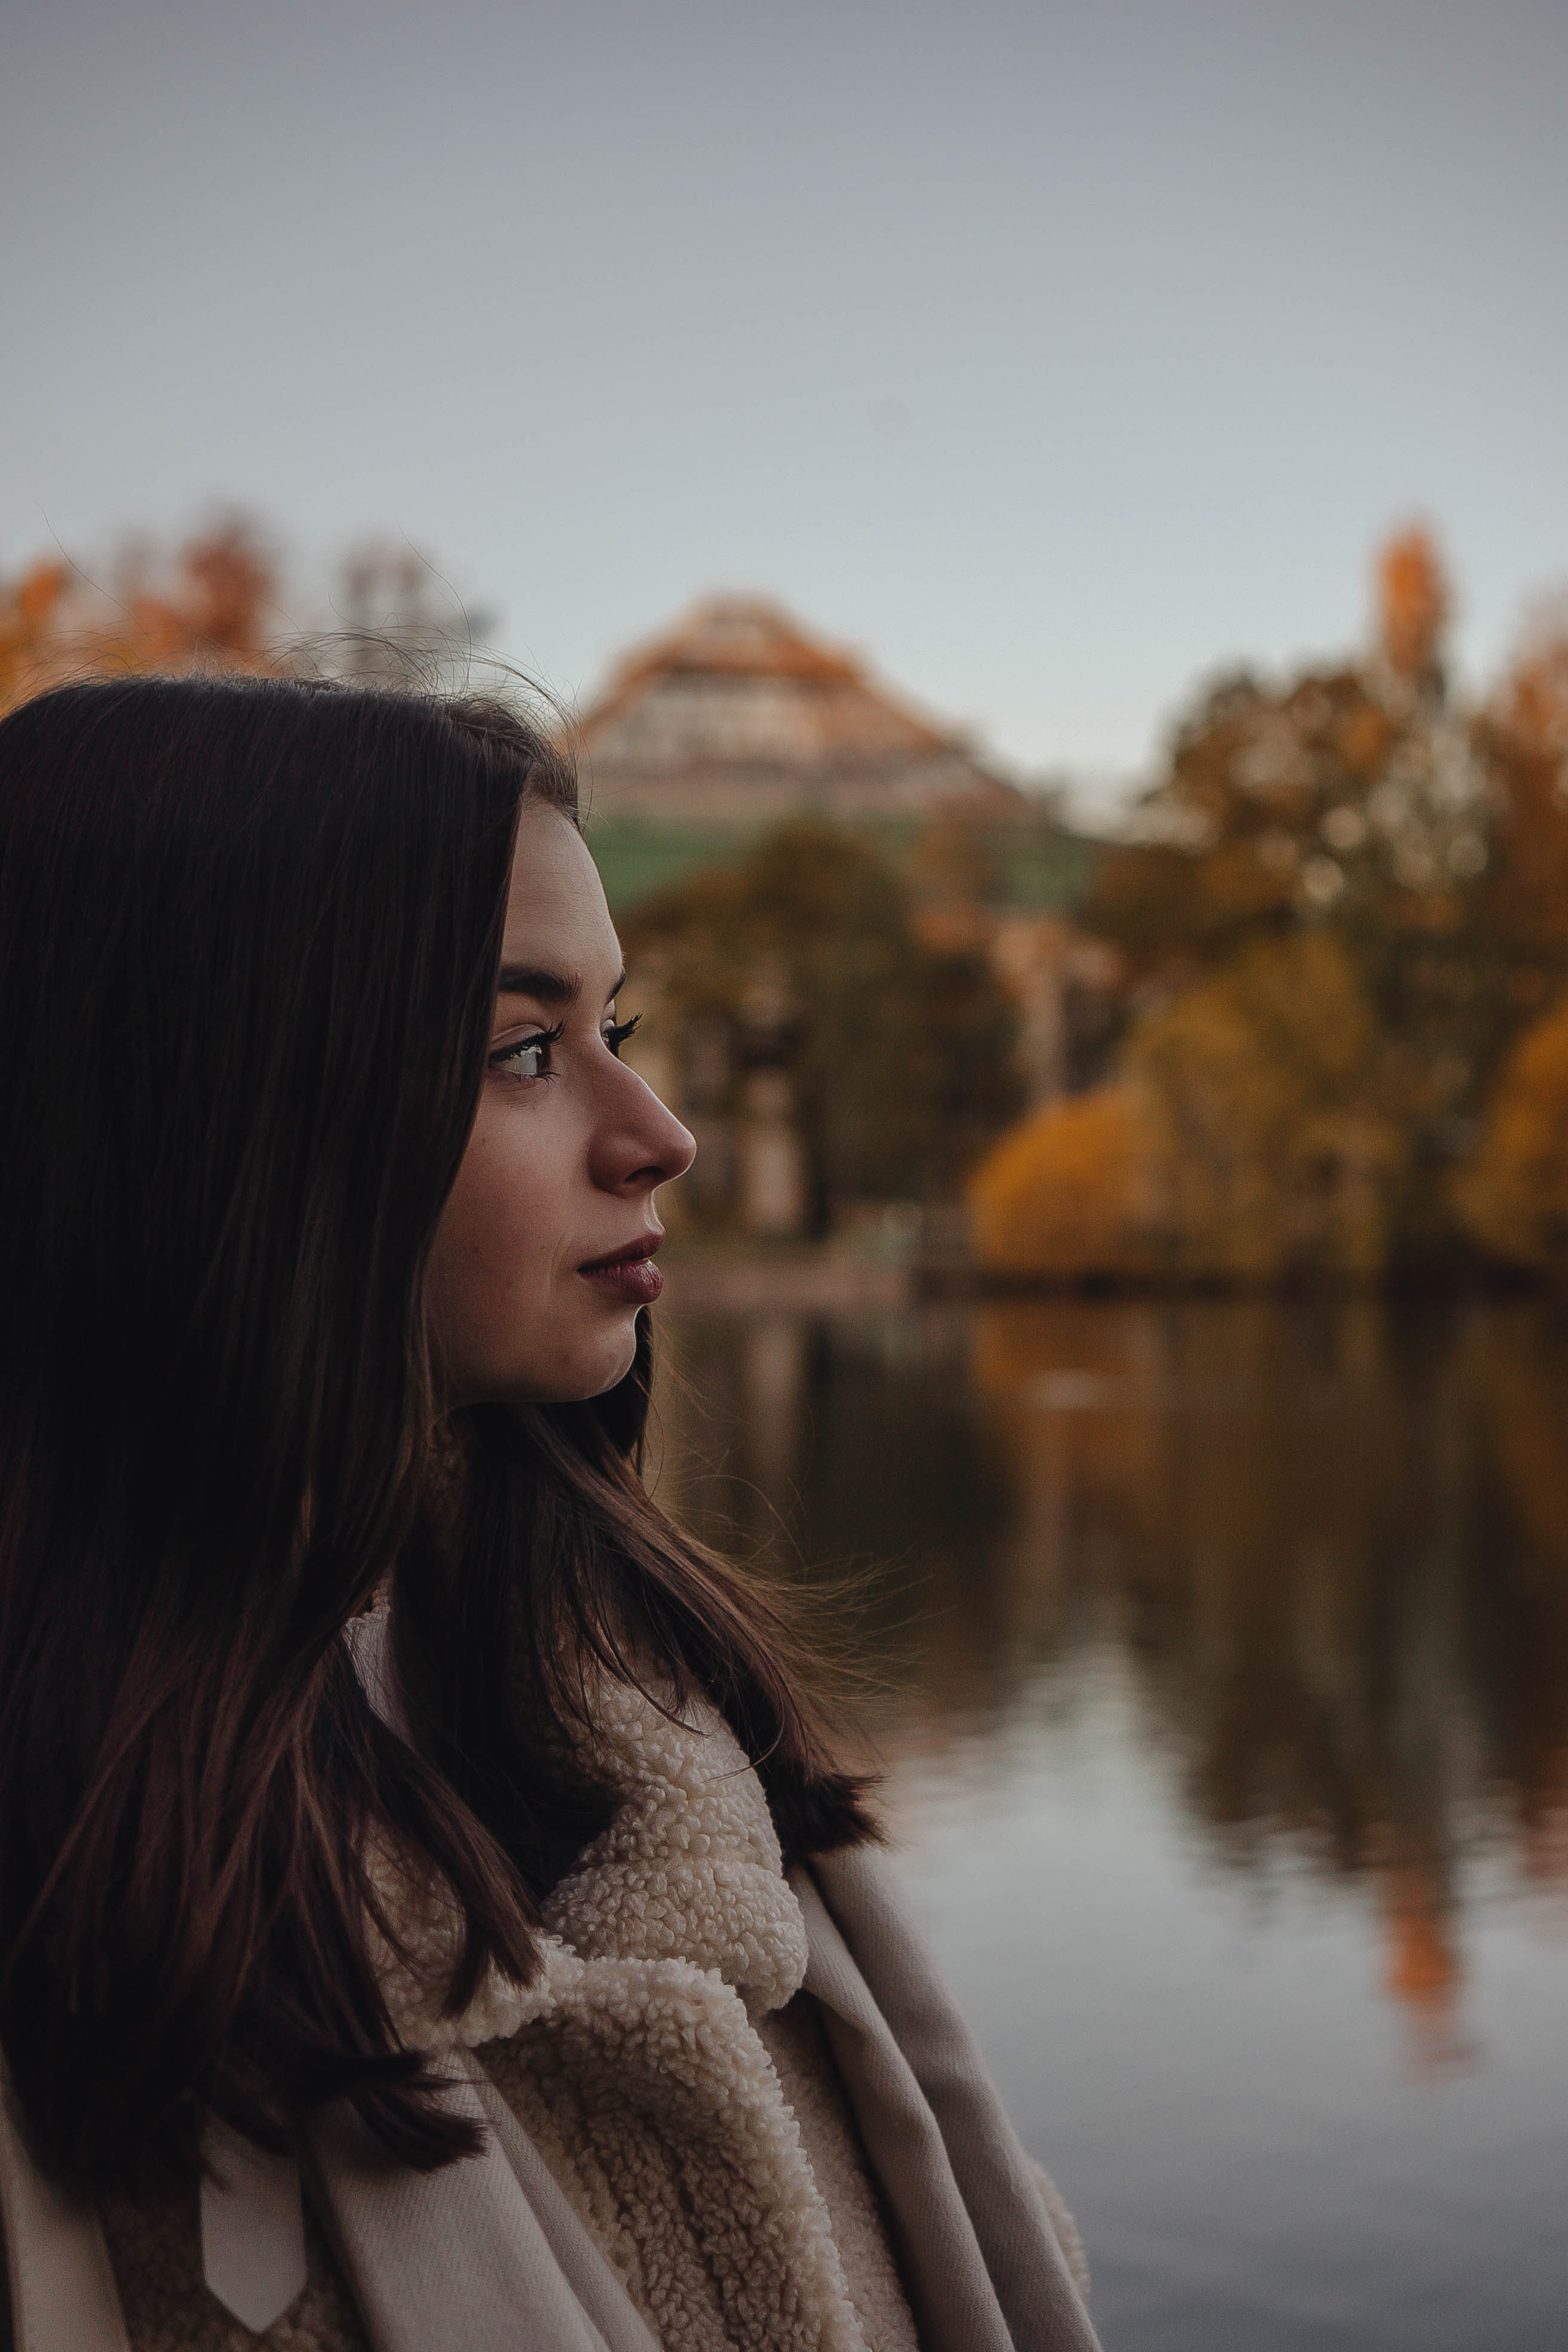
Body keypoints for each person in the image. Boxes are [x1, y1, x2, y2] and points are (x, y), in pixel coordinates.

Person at [0, 675, 1100, 2352]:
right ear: (221, 1122)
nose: (657, 1137)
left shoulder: (671, 1739)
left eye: (620, 1031)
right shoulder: (79, 1916)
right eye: (524, 1051)